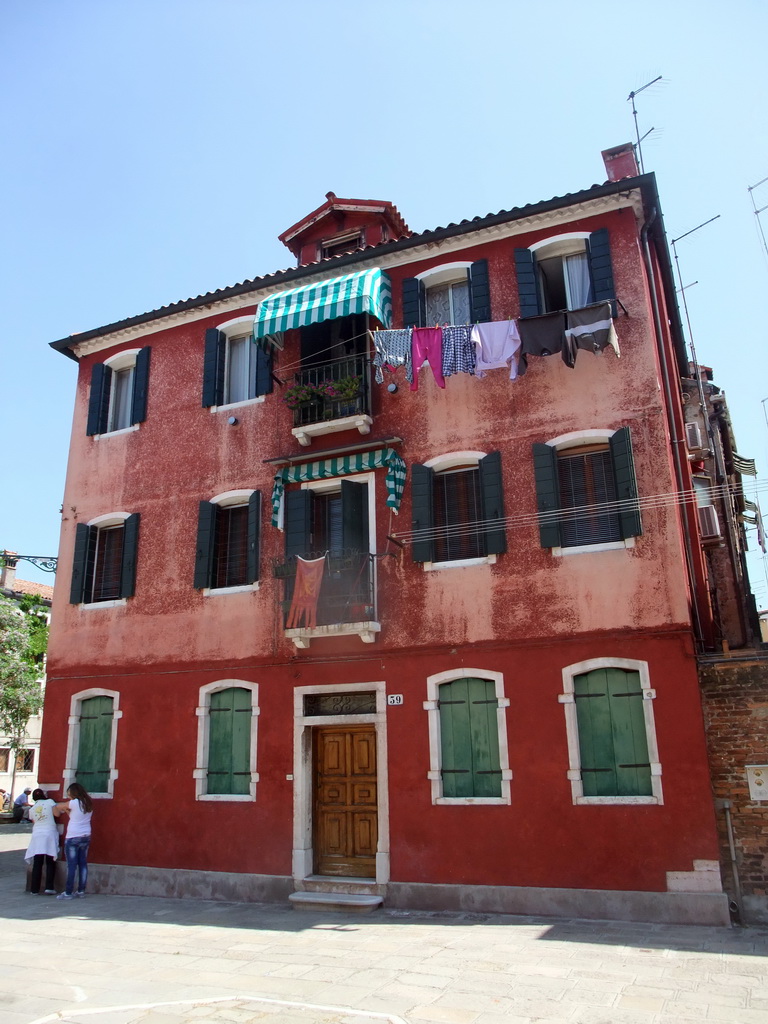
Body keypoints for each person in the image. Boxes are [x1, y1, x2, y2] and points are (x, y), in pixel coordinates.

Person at [55, 783, 93, 900]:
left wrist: (60, 805)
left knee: (72, 865)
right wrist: (68, 811)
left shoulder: (74, 803)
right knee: (83, 864)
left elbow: (60, 806)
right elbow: (75, 816)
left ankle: (68, 892)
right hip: (86, 835)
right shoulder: (88, 803)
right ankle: (81, 891)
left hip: (73, 837)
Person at [25, 789, 60, 894]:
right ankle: (49, 887)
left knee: (38, 862)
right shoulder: (50, 802)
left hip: (37, 834)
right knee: (50, 860)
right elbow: (57, 814)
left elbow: (34, 821)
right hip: (49, 832)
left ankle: (34, 889)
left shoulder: (32, 809)